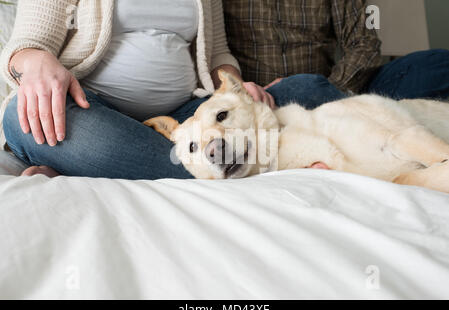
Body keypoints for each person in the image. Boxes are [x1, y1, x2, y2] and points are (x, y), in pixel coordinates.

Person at [2, 0, 346, 180]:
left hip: (185, 124)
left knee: (308, 89)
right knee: (28, 121)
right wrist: (36, 64)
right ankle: (245, 161)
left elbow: (218, 54)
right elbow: (26, 46)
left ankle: (99, 166)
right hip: (91, 113)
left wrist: (237, 91)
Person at [223, 0, 449, 102]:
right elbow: (212, 53)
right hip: (262, 100)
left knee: (436, 63)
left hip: (334, 88)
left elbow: (365, 43)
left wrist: (328, 90)